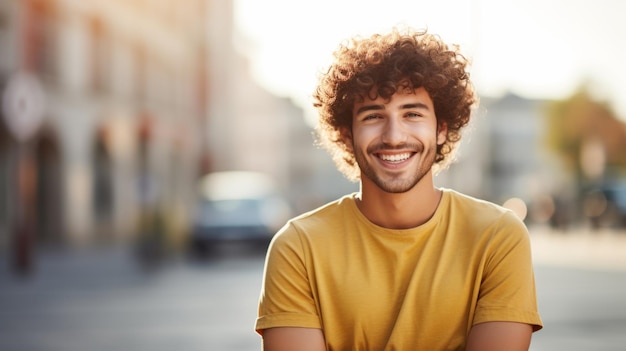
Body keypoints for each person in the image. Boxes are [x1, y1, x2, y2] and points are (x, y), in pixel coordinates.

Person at [255, 27, 543, 351]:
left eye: (412, 114)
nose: (394, 135)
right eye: (374, 115)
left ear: (441, 129)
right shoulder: (298, 248)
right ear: (347, 135)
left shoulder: (497, 237)